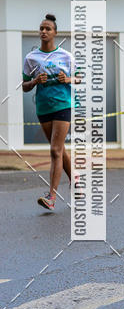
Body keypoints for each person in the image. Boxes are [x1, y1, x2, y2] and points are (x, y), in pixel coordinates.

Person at [23, 14, 77, 211]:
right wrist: (35, 81)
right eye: (41, 28)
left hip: (63, 105)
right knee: (59, 149)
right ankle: (76, 180)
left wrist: (68, 80)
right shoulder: (31, 58)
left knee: (55, 150)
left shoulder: (66, 56)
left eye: (48, 29)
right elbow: (24, 86)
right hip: (43, 108)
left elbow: (79, 78)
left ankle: (51, 196)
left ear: (55, 33)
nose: (44, 31)